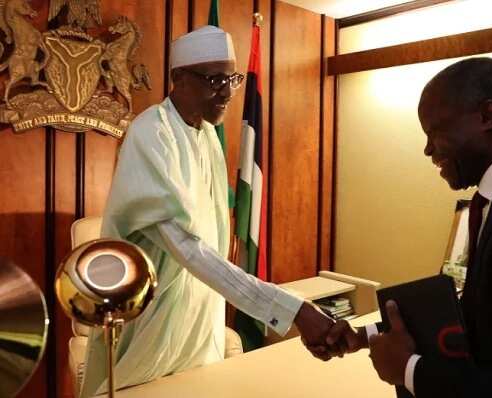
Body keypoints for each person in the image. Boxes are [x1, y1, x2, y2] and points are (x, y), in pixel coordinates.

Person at [312, 57, 492, 397]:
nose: (428, 149)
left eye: (435, 131)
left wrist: (409, 370)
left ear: (487, 116)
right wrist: (370, 335)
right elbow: (488, 316)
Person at [79, 26, 335, 397]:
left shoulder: (208, 136)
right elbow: (187, 248)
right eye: (214, 79)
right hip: (153, 329)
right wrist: (291, 310)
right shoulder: (151, 132)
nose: (229, 92)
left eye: (232, 78)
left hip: (202, 322)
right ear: (178, 79)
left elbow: (212, 243)